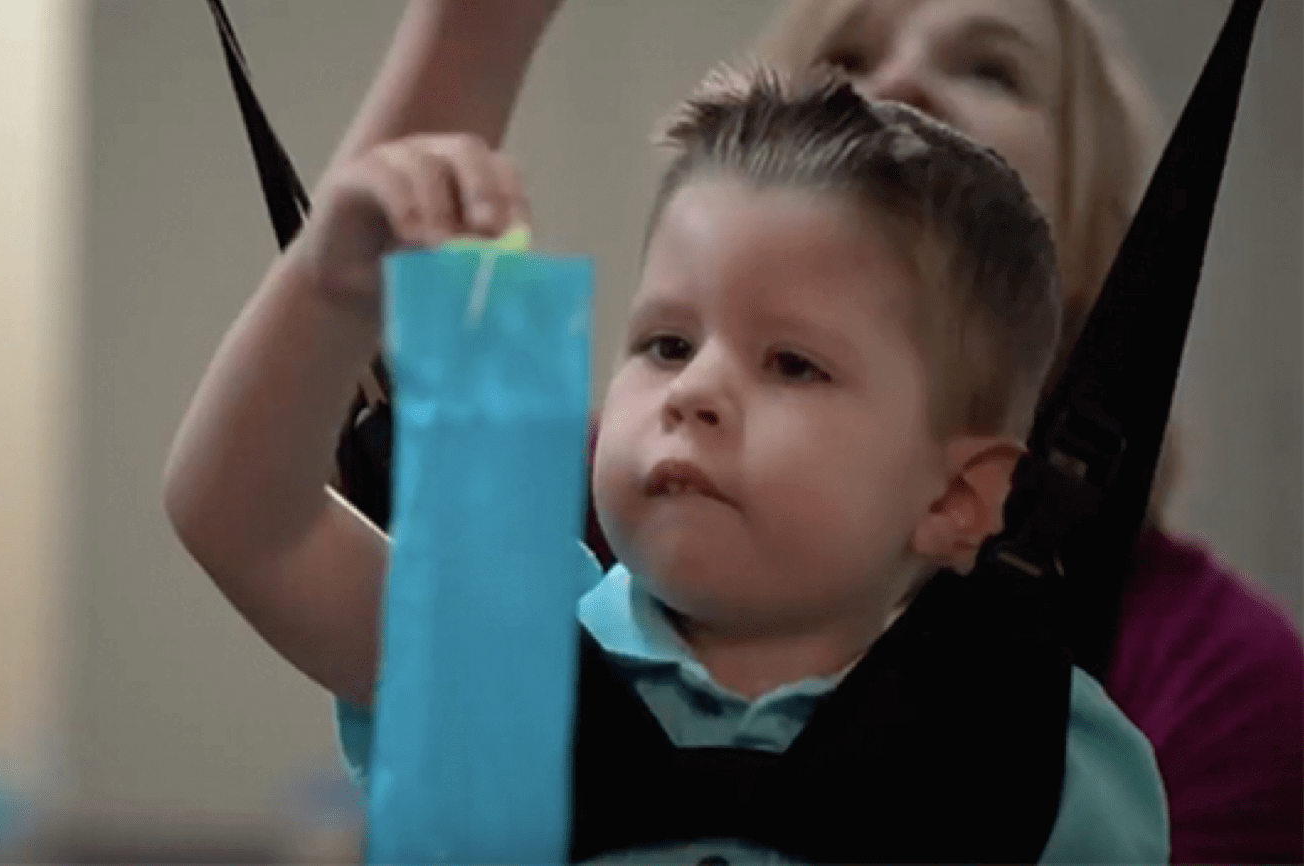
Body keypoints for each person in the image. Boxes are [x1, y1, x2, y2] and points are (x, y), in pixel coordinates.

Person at [255, 1, 1293, 861]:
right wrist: (454, 62)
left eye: (792, 361)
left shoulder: (1062, 753)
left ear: (959, 494)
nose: (696, 390)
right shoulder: (514, 608)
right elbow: (260, 511)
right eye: (663, 342)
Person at [751, 2, 1304, 863]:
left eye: (990, 69)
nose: (891, 84)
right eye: (846, 55)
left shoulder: (1221, 682)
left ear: (1095, 236)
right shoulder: (596, 515)